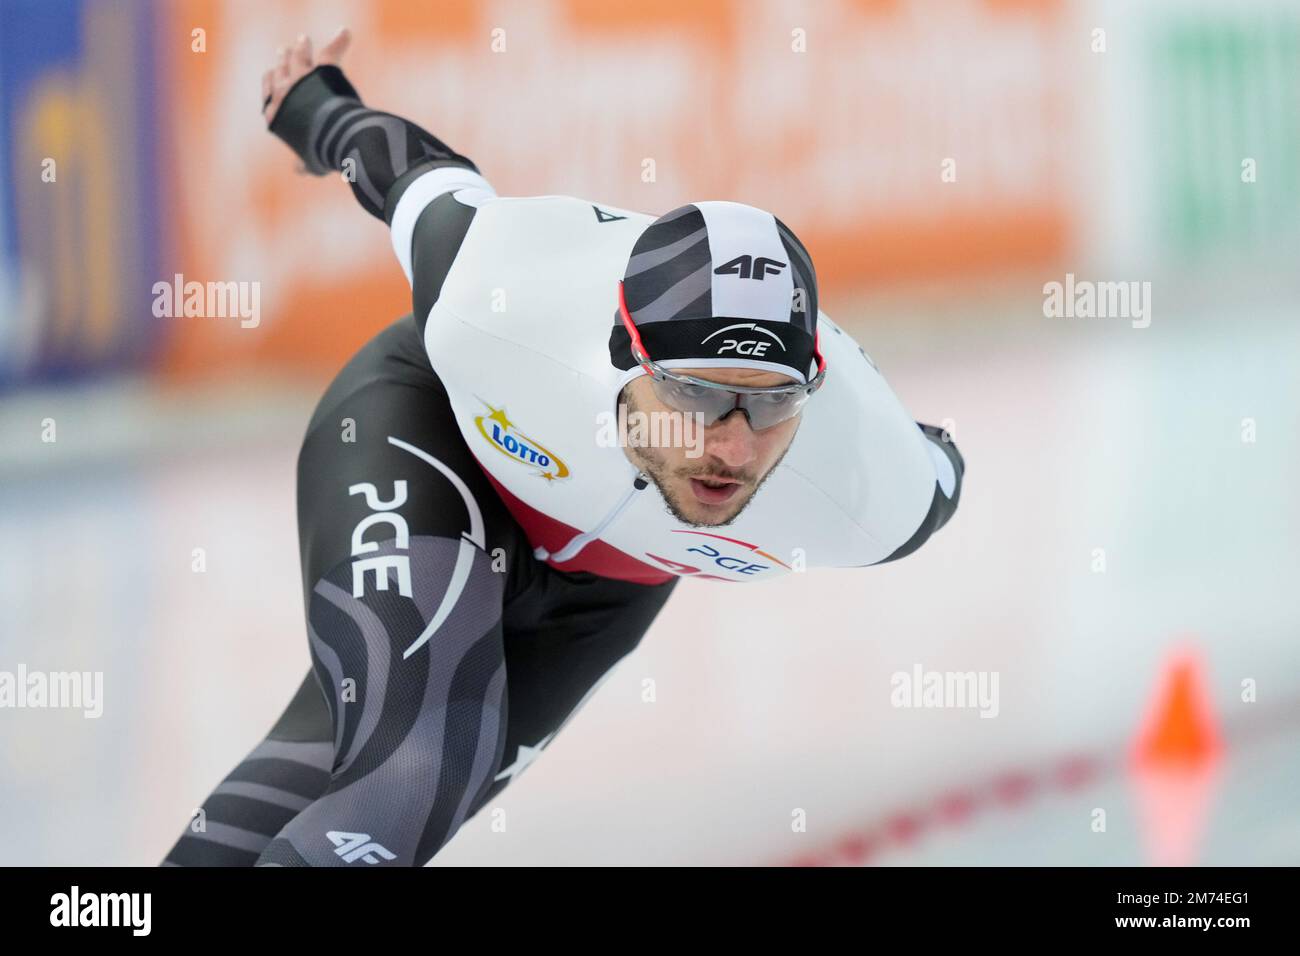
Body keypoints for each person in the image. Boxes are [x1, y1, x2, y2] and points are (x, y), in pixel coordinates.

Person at [163, 28, 964, 867]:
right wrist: (314, 105)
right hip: (431, 440)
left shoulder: (872, 487)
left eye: (771, 407)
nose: (732, 442)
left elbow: (941, 464)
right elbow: (415, 176)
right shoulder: (498, 295)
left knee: (375, 784)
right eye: (695, 394)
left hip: (611, 586)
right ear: (625, 352)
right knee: (418, 766)